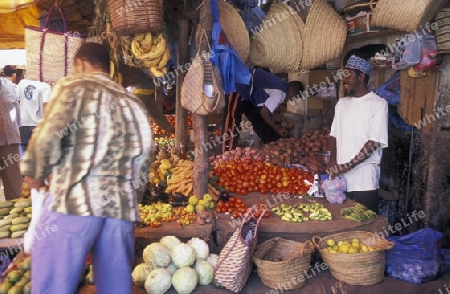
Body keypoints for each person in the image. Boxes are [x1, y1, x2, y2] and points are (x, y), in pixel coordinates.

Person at [21, 43, 152, 294]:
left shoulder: (72, 87)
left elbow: (47, 138)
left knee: (53, 286)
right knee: (115, 288)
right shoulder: (132, 102)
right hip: (119, 210)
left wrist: (35, 177)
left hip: (74, 203)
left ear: (80, 64)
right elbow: (145, 158)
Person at [327, 55, 388, 213]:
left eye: (348, 75)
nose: (343, 80)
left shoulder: (378, 104)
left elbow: (374, 142)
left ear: (361, 76)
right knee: (342, 224)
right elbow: (333, 136)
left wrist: (349, 165)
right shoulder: (342, 104)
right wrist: (332, 160)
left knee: (365, 224)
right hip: (341, 180)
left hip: (364, 179)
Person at [223, 69, 304, 150]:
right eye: (294, 97)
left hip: (249, 94)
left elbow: (267, 109)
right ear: (292, 91)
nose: (292, 100)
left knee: (256, 117)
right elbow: (264, 113)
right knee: (233, 118)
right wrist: (278, 129)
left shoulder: (282, 87)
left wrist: (277, 120)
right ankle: (227, 151)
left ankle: (275, 144)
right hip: (238, 86)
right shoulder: (279, 93)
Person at [16, 77, 52, 152]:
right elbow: (46, 105)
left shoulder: (22, 83)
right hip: (39, 123)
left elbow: (16, 101)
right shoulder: (45, 86)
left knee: (24, 151)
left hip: (23, 122)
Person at [0, 76, 22, 200]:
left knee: (15, 187)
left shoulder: (8, 86)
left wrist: (15, 128)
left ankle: (15, 214)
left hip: (10, 140)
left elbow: (16, 112)